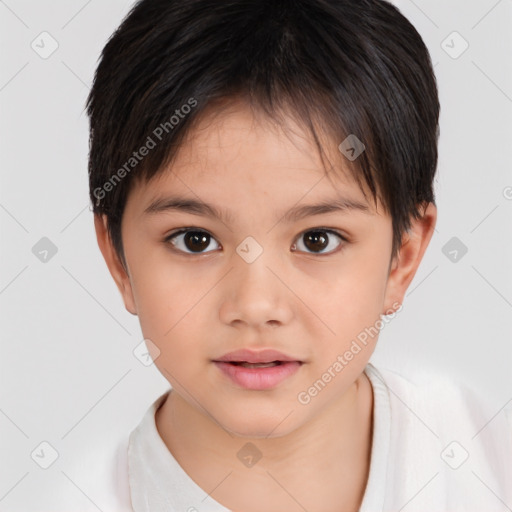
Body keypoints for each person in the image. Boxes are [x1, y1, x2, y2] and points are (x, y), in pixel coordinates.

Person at [82, 0, 512, 510]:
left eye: (317, 240)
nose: (257, 305)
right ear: (118, 257)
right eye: (195, 240)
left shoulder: (487, 462)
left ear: (403, 256)